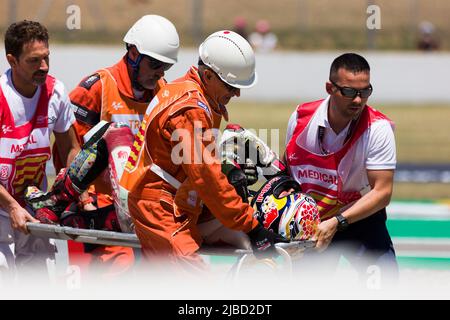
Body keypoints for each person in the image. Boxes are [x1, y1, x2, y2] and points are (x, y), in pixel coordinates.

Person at [120, 30, 287, 273]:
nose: (237, 93)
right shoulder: (191, 110)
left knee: (239, 240)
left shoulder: (188, 91)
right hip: (160, 207)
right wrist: (252, 227)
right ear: (208, 76)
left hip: (176, 200)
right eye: (232, 86)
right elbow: (206, 177)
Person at [52, 15, 180, 276]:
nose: (160, 72)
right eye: (155, 63)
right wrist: (83, 199)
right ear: (133, 53)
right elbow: (66, 151)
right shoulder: (97, 88)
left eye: (165, 66)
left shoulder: (163, 92)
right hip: (102, 213)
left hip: (149, 212)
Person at [284, 53, 398, 284]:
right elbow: (287, 171)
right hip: (313, 219)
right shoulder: (300, 117)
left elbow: (382, 192)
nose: (357, 100)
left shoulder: (378, 128)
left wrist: (338, 222)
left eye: (365, 92)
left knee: (384, 284)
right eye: (348, 91)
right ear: (330, 88)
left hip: (360, 217)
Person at [0, 20, 79, 280]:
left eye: (47, 58)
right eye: (34, 61)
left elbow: (71, 149)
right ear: (12, 60)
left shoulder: (55, 92)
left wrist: (68, 194)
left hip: (34, 214)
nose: (43, 67)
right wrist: (12, 207)